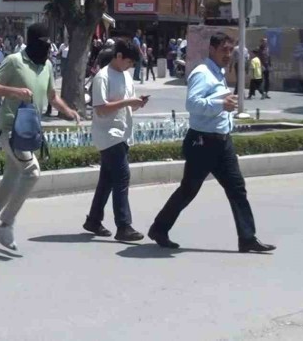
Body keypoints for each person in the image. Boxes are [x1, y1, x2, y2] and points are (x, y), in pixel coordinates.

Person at [148, 32, 276, 253]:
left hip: (222, 142)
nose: (228, 54)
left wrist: (225, 111)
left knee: (237, 188)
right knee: (188, 190)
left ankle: (247, 237)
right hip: (202, 142)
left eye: (231, 50)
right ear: (212, 50)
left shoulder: (219, 72)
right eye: (224, 50)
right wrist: (220, 104)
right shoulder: (202, 73)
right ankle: (159, 228)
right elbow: (193, 104)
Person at [0, 23, 80, 251]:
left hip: (28, 134)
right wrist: (15, 92)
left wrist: (67, 110)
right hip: (9, 130)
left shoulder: (46, 65)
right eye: (43, 44)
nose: (47, 49)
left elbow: (52, 95)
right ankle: (6, 225)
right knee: (32, 171)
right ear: (33, 42)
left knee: (8, 186)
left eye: (49, 45)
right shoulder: (14, 61)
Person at [84, 39, 148, 242]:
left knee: (107, 180)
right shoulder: (102, 77)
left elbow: (128, 105)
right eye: (128, 62)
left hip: (123, 133)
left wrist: (137, 103)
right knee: (122, 177)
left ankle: (93, 220)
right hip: (108, 134)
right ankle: (124, 225)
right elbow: (101, 109)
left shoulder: (126, 76)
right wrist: (128, 102)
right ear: (118, 56)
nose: (130, 66)